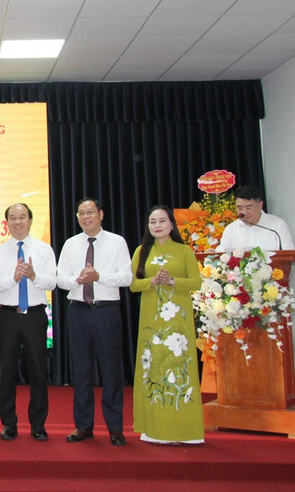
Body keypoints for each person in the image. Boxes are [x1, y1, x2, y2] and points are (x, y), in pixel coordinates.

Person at [56, 197, 132, 446]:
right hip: (78, 311)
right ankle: (83, 426)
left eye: (90, 212)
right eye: (81, 213)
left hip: (106, 312)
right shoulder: (70, 244)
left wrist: (99, 276)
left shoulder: (117, 241)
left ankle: (115, 428)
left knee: (111, 371)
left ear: (101, 214)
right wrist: (76, 280)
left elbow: (126, 277)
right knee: (81, 371)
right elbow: (60, 279)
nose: (86, 217)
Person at [130, 205, 204, 445]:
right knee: (154, 367)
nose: (158, 225)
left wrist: (172, 280)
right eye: (153, 221)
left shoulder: (184, 251)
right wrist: (152, 281)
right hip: (151, 319)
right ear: (148, 226)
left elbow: (197, 282)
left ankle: (184, 430)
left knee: (179, 368)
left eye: (162, 220)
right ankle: (154, 429)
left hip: (178, 320)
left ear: (172, 225)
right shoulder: (141, 251)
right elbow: (132, 285)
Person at [0, 203, 56, 442]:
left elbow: (52, 283)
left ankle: (38, 424)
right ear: (7, 222)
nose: (18, 222)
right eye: (13, 218)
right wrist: (14, 277)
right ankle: (8, 424)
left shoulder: (43, 250)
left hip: (35, 316)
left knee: (38, 371)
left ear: (30, 220)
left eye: (22, 217)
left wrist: (34, 276)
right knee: (6, 372)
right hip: (7, 316)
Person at [217, 185, 294, 252]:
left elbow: (289, 253)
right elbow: (221, 252)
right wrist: (212, 253)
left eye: (248, 208)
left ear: (260, 205)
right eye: (240, 208)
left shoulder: (277, 225)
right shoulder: (231, 229)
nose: (244, 212)